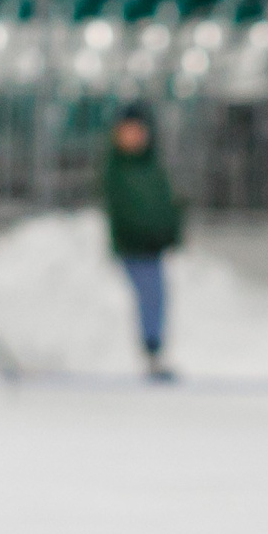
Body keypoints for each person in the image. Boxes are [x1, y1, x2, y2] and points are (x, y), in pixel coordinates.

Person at [102, 105, 181, 382]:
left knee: (156, 298)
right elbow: (125, 211)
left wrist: (170, 232)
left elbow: (165, 204)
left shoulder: (153, 167)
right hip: (132, 248)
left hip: (153, 248)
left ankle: (154, 351)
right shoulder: (116, 169)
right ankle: (145, 352)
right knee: (142, 296)